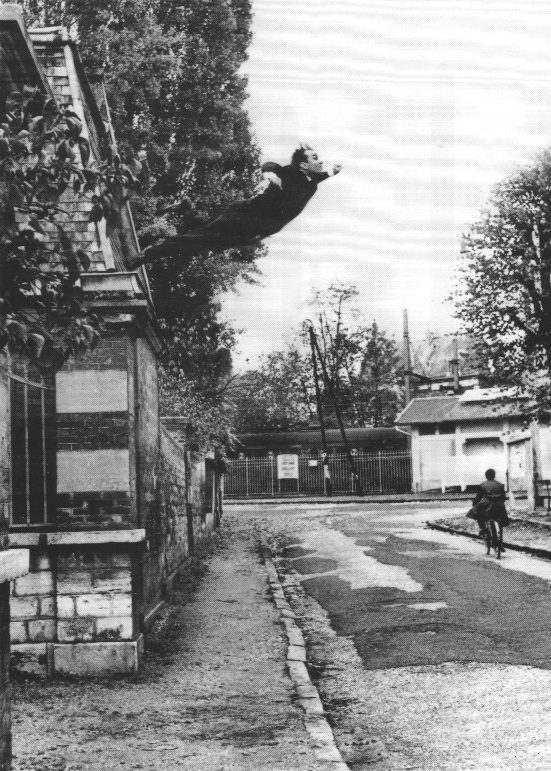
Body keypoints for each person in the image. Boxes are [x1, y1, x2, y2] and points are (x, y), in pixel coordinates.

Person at [129, 145, 342, 268]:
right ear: (304, 165)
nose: (321, 161)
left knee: (207, 238)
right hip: (244, 216)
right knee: (200, 240)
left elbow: (317, 177)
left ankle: (185, 208)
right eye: (316, 158)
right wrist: (268, 173)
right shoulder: (291, 173)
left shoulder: (310, 184)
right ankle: (146, 255)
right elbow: (271, 166)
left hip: (251, 230)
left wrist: (333, 172)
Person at [468, 468, 510, 539]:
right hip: (499, 507)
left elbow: (479, 497)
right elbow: (503, 498)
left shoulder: (482, 485)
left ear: (486, 476)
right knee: (501, 518)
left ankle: (483, 528)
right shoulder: (500, 485)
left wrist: (474, 503)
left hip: (487, 506)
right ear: (494, 475)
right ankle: (500, 538)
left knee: (477, 512)